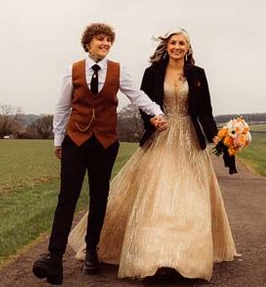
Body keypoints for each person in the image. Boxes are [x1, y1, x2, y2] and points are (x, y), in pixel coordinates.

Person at [67, 28, 237, 281]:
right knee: (157, 196)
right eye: (173, 43)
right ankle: (155, 259)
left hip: (189, 141)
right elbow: (144, 107)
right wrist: (153, 122)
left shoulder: (198, 75)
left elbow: (205, 111)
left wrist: (219, 139)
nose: (177, 47)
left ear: (188, 48)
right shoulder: (153, 72)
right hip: (161, 137)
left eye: (182, 43)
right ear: (166, 47)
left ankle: (185, 261)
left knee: (188, 198)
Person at [32, 22, 166, 286]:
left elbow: (137, 96)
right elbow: (61, 109)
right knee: (67, 196)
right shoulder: (72, 71)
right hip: (75, 141)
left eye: (108, 41)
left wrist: (157, 112)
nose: (105, 44)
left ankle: (91, 249)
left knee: (99, 196)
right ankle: (54, 257)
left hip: (104, 143)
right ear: (88, 43)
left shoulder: (118, 70)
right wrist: (58, 141)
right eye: (100, 39)